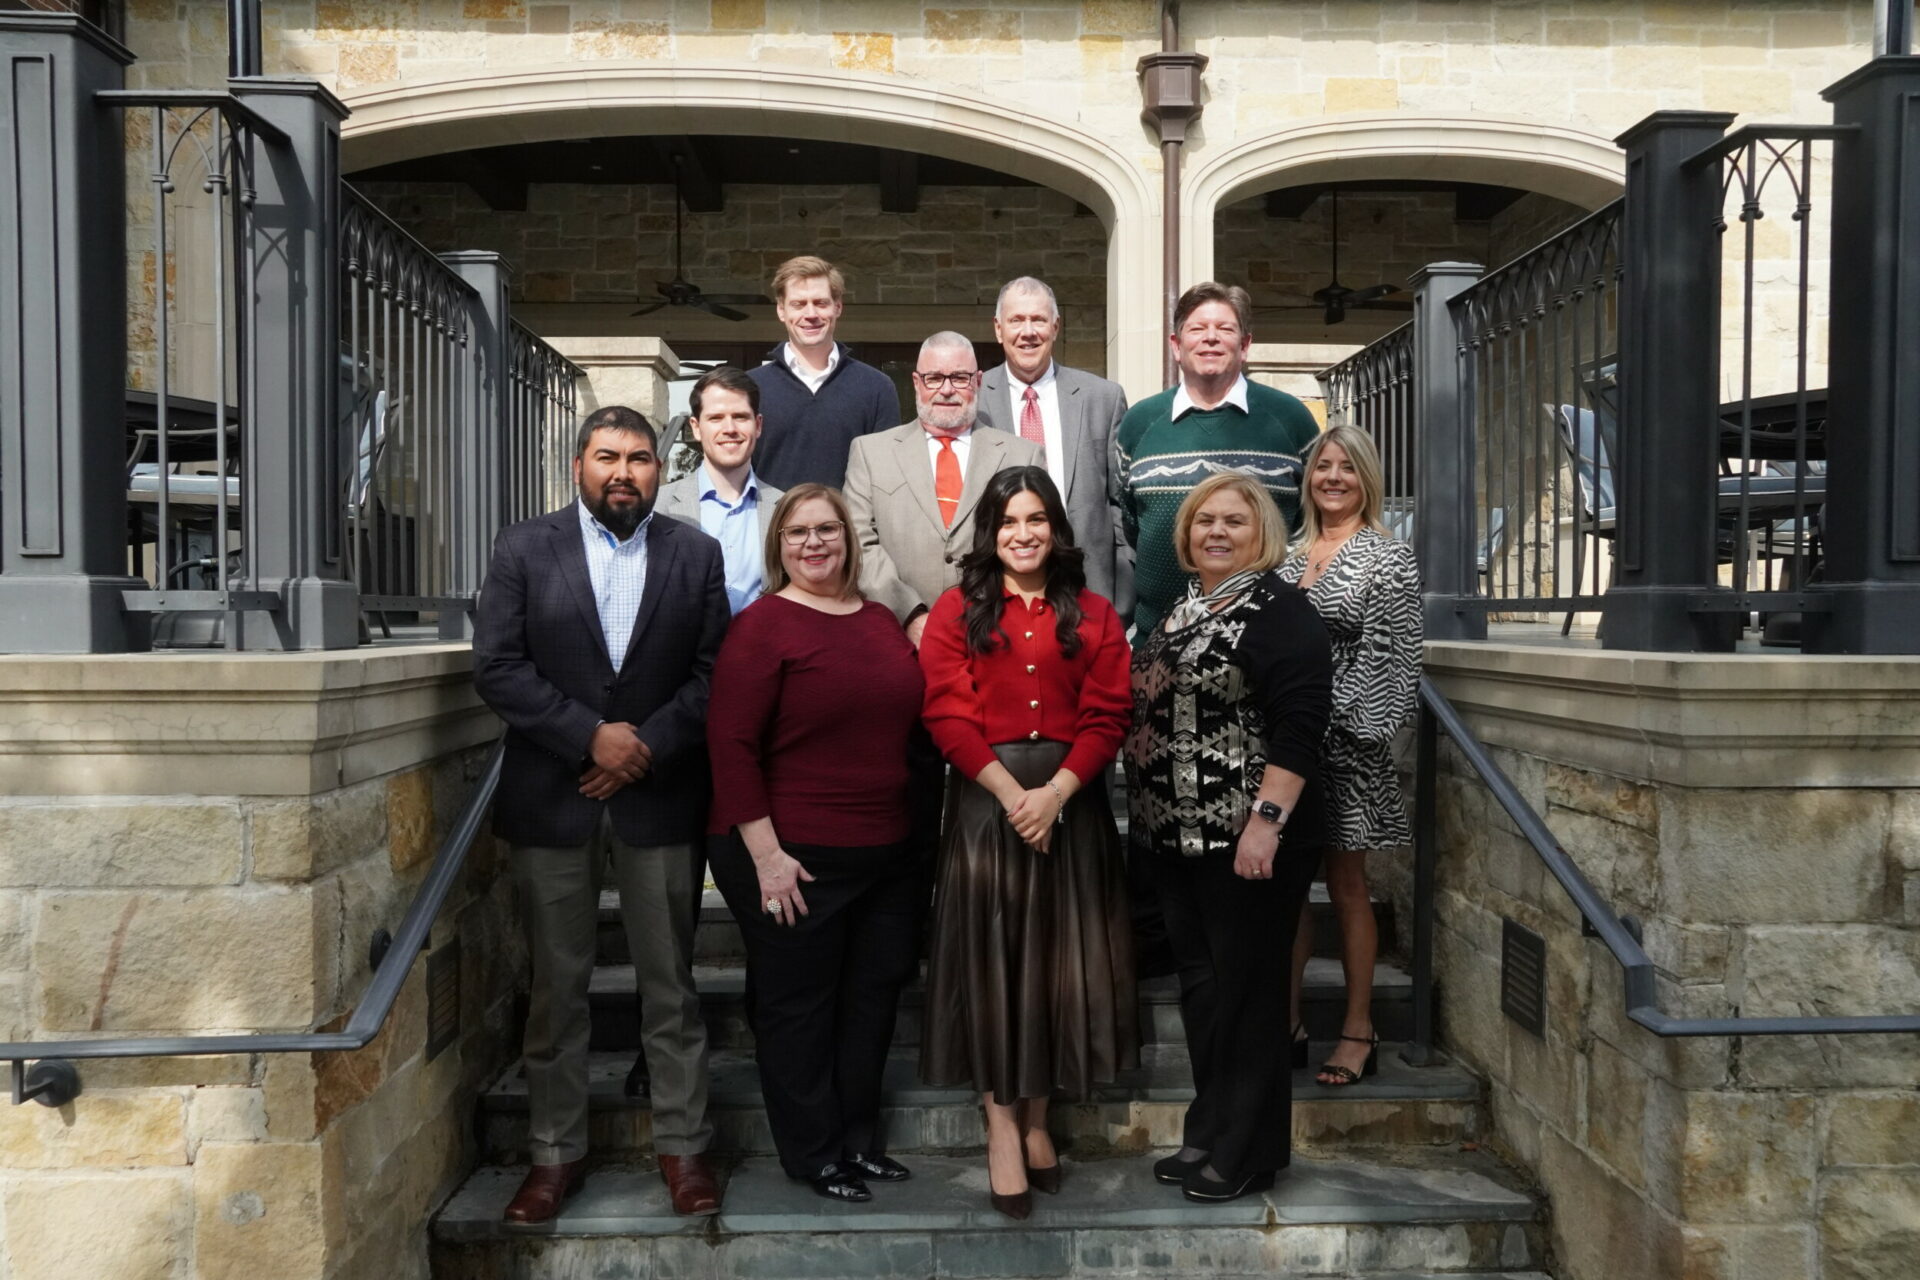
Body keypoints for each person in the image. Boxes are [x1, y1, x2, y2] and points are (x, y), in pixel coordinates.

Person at [471, 406, 729, 1224]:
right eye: (608, 456)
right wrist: (589, 736)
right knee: (557, 991)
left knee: (672, 989)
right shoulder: (523, 548)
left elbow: (713, 673)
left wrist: (642, 746)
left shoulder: (696, 553)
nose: (624, 472)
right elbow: (498, 666)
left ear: (660, 468)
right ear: (579, 464)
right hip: (555, 798)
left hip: (659, 796)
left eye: (640, 458)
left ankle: (684, 1150)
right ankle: (555, 1155)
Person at [917, 466, 1137, 1220]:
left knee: (1054, 967)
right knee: (995, 966)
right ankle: (1002, 1129)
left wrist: (1056, 796)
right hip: (989, 811)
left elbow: (1108, 714)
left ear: (1056, 528)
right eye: (1009, 520)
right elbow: (946, 714)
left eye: (1036, 518)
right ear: (991, 530)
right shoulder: (956, 611)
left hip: (1071, 809)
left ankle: (1039, 1118)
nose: (1023, 533)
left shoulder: (1095, 613)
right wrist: (1015, 798)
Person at [705, 484, 927, 1204]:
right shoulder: (762, 626)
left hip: (885, 852)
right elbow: (731, 746)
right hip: (791, 855)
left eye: (827, 529)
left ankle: (858, 1141)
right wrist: (767, 859)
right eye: (797, 532)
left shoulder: (879, 619)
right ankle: (814, 1153)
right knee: (799, 1007)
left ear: (848, 539)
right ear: (779, 546)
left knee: (872, 998)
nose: (814, 543)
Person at [1123, 472, 1332, 1205]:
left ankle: (1250, 1152)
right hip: (1176, 843)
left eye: (1234, 521)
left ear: (1262, 533)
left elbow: (1301, 725)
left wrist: (1265, 824)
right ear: (1184, 534)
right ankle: (1211, 1129)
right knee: (1205, 992)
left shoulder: (1280, 610)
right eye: (1204, 520)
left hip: (1248, 839)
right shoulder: (1183, 608)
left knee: (1248, 996)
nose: (1216, 531)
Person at [1278, 425, 1422, 1086]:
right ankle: (1287, 1021)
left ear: (1368, 479)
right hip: (1285, 747)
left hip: (1345, 747)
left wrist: (1342, 727)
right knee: (1286, 889)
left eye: (1347, 467)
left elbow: (1394, 659)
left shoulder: (1387, 558)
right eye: (1323, 466)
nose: (1333, 477)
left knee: (1346, 886)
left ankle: (1359, 1029)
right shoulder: (1289, 555)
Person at [1112, 281, 1322, 638]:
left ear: (1245, 345)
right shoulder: (1139, 424)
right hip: (1159, 640)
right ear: (1176, 346)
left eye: (1224, 329)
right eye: (1197, 329)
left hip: (1265, 639)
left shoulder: (1291, 420)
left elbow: (1311, 524)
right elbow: (1129, 523)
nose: (1210, 338)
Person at [845, 331, 1044, 647]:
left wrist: (987, 616)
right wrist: (910, 615)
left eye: (960, 378)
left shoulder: (1023, 455)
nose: (947, 390)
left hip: (997, 635)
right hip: (894, 636)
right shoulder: (870, 453)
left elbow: (1035, 543)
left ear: (978, 381)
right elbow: (858, 543)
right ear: (916, 382)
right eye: (934, 378)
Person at [976, 277, 1133, 616]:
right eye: (1017, 320)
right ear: (999, 329)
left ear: (1056, 327)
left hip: (1090, 589)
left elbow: (1121, 502)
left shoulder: (1102, 398)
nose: (1028, 331)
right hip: (1000, 593)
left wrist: (1123, 589)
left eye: (1038, 320)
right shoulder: (974, 399)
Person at [746, 255, 899, 490]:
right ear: (781, 310)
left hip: (849, 516)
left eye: (820, 303)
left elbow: (886, 477)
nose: (810, 314)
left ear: (838, 307)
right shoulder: (750, 387)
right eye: (798, 304)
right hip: (769, 515)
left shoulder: (877, 387)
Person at [657, 365, 787, 616]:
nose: (730, 428)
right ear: (696, 427)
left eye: (740, 417)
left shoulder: (784, 508)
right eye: (716, 418)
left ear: (758, 425)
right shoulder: (659, 508)